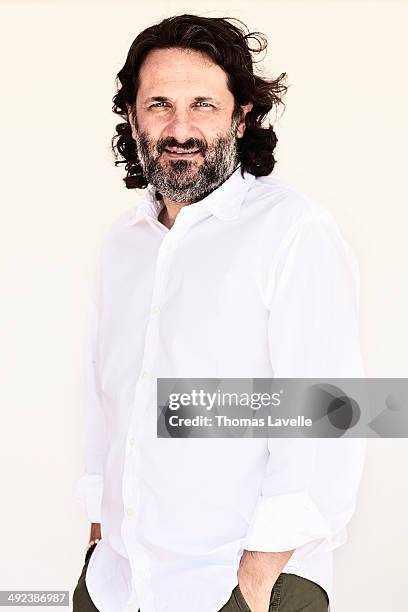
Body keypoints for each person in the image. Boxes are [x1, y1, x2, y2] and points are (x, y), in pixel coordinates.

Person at [73, 14, 366, 612]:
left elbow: (330, 411)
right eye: (159, 104)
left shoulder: (291, 230)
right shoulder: (121, 243)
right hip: (117, 586)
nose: (180, 128)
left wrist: (254, 583)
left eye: (203, 104)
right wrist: (98, 537)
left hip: (241, 587)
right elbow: (106, 403)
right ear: (131, 115)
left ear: (241, 114)